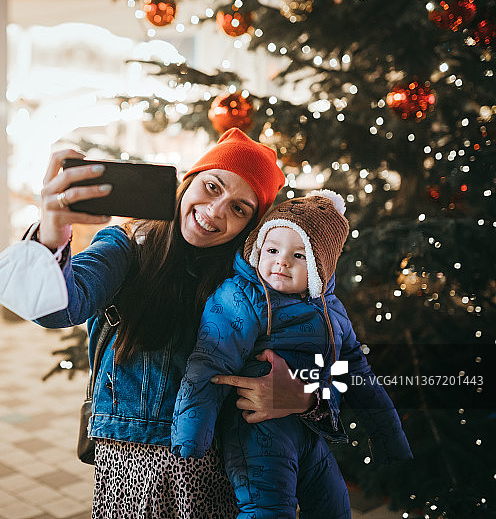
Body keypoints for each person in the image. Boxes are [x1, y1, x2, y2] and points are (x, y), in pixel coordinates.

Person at [31, 127, 329, 517]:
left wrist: (305, 397)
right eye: (212, 186)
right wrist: (53, 231)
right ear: (189, 180)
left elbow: (332, 360)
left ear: (250, 226)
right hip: (132, 475)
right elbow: (58, 308)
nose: (217, 210)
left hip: (224, 474)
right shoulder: (127, 246)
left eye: (240, 208)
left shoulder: (261, 283)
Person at [171, 191, 413, 519]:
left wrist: (388, 435)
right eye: (272, 250)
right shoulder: (242, 296)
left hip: (309, 431)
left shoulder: (334, 311)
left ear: (319, 266)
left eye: (299, 256)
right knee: (268, 509)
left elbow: (358, 373)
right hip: (258, 432)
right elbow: (210, 360)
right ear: (258, 251)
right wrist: (192, 434)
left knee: (335, 503)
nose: (282, 261)